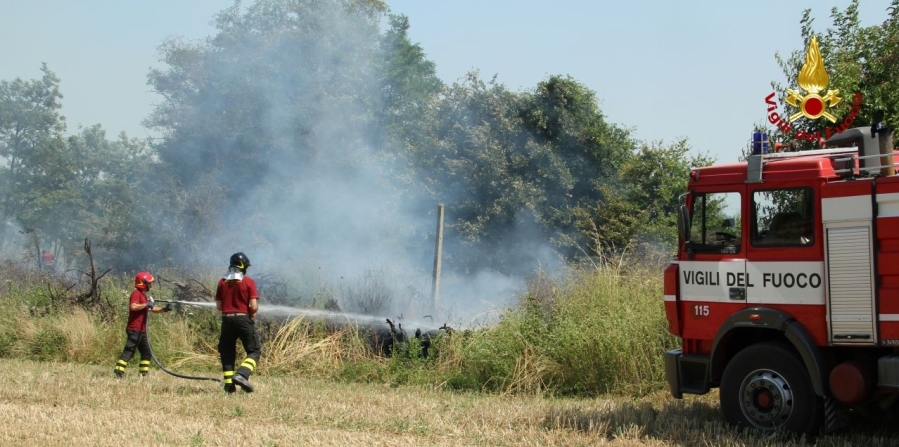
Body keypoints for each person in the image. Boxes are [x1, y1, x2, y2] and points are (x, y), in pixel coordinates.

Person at [216, 252, 261, 393]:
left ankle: (229, 386)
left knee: (227, 352)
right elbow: (253, 306)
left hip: (226, 320)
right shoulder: (248, 282)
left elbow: (219, 306)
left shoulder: (222, 282)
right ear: (243, 266)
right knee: (254, 351)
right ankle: (242, 374)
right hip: (243, 319)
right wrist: (251, 315)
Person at [114, 272, 171, 378]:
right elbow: (133, 306)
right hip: (135, 329)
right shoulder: (136, 293)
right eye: (149, 283)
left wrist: (164, 309)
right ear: (143, 283)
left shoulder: (144, 296)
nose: (151, 285)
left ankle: (143, 374)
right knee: (129, 351)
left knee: (147, 352)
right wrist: (146, 304)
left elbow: (151, 308)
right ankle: (118, 372)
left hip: (142, 330)